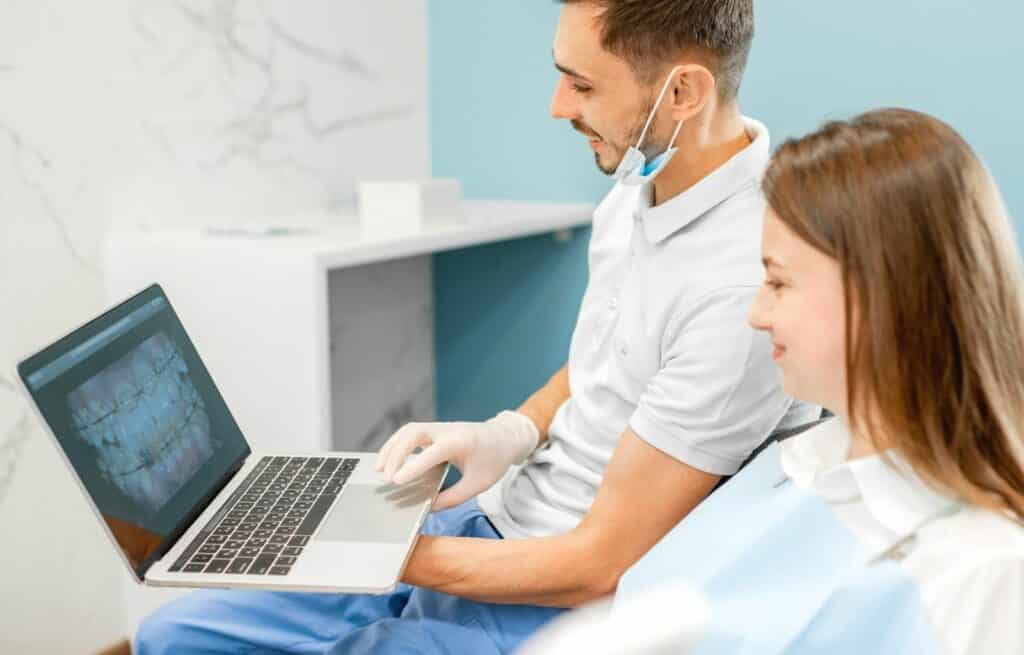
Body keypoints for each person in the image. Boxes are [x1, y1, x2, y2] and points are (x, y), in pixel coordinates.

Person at [133, 2, 816, 653]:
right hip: (490, 518)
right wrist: (507, 430)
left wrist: (378, 552)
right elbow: (605, 367)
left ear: (682, 92)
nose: (558, 106)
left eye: (581, 84)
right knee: (170, 636)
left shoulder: (741, 285)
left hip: (553, 593)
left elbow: (598, 563)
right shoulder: (635, 188)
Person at [524, 108, 1024, 654]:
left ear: (881, 299)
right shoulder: (801, 464)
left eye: (779, 283)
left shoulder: (982, 574)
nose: (756, 314)